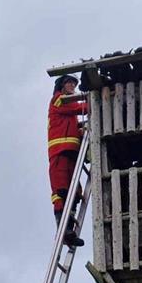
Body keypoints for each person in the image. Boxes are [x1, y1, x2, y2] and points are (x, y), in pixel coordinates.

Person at [48, 74, 88, 248]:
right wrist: (94, 102)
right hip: (59, 152)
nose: (73, 85)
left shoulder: (70, 113)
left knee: (75, 194)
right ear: (61, 86)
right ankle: (63, 230)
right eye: (69, 83)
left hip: (71, 153)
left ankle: (69, 230)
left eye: (74, 83)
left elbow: (73, 127)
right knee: (62, 192)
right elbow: (78, 108)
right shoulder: (58, 100)